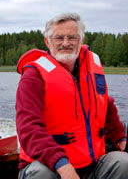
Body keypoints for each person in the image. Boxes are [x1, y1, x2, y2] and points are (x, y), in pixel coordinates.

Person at [16, 12, 128, 179]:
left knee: (123, 162)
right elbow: (28, 128)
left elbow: (106, 105)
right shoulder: (33, 76)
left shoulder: (91, 68)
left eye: (72, 38)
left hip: (91, 164)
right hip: (50, 166)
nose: (66, 43)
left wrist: (120, 137)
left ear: (81, 40)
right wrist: (62, 165)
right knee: (42, 174)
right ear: (48, 42)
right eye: (59, 38)